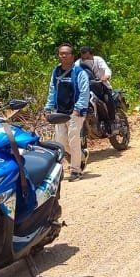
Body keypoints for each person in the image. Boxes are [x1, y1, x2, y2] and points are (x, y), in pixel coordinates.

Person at [45, 43, 91, 182]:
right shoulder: (56, 72)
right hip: (60, 112)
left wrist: (78, 109)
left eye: (66, 53)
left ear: (72, 56)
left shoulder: (79, 72)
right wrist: (48, 108)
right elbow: (52, 91)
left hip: (75, 113)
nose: (63, 56)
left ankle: (76, 170)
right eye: (61, 53)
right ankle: (82, 156)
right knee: (61, 143)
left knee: (74, 141)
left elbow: (84, 92)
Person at [79, 46, 115, 131]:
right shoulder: (78, 63)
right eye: (83, 58)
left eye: (87, 58)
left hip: (102, 86)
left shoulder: (98, 60)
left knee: (108, 100)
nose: (86, 60)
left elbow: (106, 69)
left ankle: (111, 122)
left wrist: (106, 76)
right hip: (86, 88)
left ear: (92, 55)